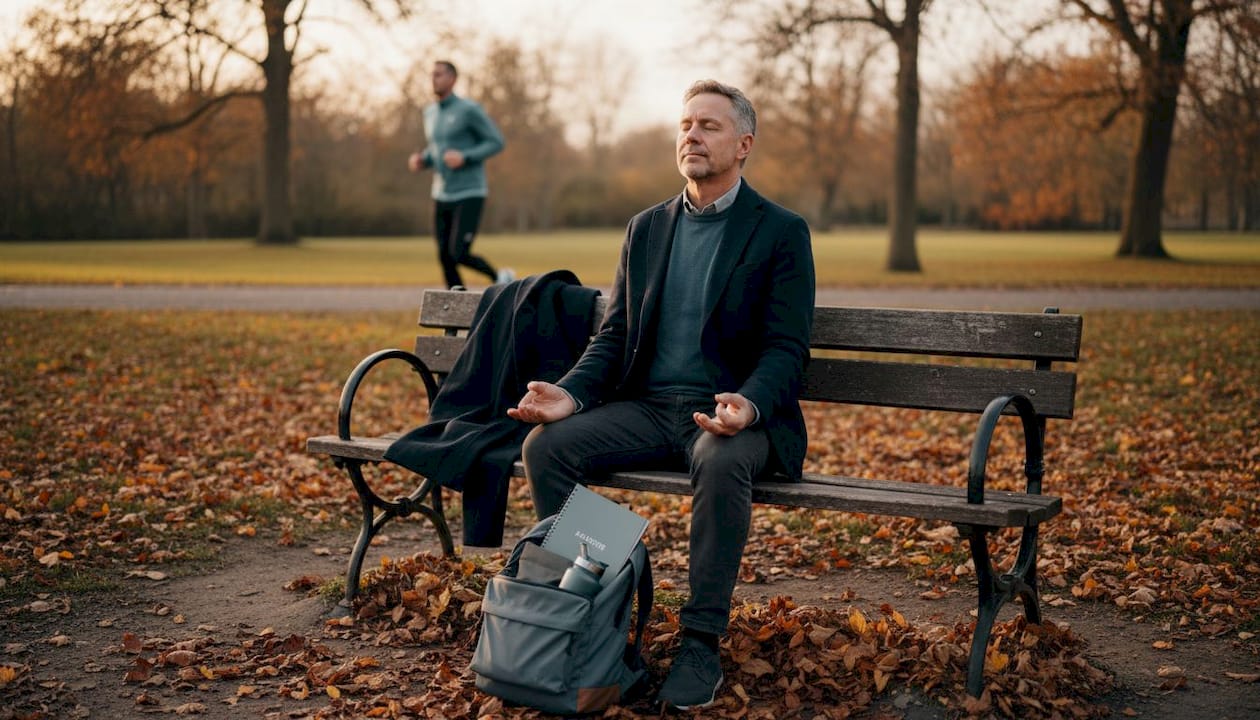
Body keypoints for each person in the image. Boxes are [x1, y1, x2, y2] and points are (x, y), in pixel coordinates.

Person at [508, 80, 815, 710]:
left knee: (722, 457)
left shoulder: (781, 231)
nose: (692, 136)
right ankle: (604, 617)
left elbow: (786, 348)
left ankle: (701, 642)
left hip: (731, 417)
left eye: (709, 126)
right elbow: (616, 334)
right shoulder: (646, 228)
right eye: (685, 125)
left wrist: (748, 405)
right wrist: (570, 395)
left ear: (744, 144)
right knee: (546, 447)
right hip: (650, 410)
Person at [408, 60, 512, 289]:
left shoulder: (469, 110)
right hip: (441, 193)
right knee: (444, 256)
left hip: (470, 191)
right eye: (432, 74)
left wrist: (465, 156)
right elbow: (437, 149)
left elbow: (496, 142)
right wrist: (422, 160)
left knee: (458, 252)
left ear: (453, 79)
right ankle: (455, 304)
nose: (433, 79)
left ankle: (500, 278)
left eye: (439, 74)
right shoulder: (430, 112)